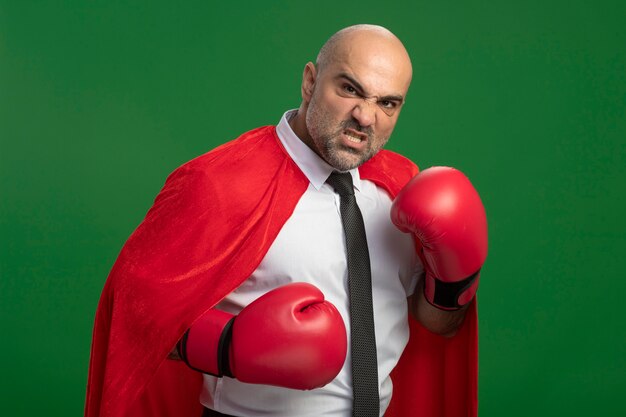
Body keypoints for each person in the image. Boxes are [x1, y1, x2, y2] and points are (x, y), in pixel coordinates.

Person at [85, 24, 485, 417]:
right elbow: (135, 320)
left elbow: (439, 325)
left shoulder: (402, 185)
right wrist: (230, 345)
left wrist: (454, 281)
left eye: (387, 103)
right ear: (310, 81)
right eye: (349, 89)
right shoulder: (220, 183)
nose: (365, 117)